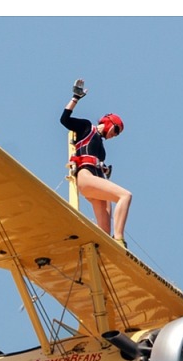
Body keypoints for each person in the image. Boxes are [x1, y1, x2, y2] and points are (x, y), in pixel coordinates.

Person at [61, 80, 132, 246]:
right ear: (108, 123)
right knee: (125, 195)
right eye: (116, 130)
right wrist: (75, 98)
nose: (115, 135)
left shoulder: (102, 150)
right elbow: (64, 120)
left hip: (96, 181)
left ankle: (102, 245)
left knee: (104, 231)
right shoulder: (87, 128)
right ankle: (119, 238)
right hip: (86, 177)